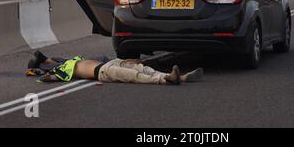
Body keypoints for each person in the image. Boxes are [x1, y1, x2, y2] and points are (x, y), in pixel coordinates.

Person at [26, 51, 203, 86]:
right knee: (135, 75)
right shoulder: (60, 70)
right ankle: (165, 80)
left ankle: (180, 77)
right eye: (48, 61)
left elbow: (57, 59)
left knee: (144, 68)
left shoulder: (73, 60)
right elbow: (46, 78)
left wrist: (125, 59)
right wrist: (42, 71)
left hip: (111, 63)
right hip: (103, 72)